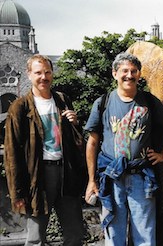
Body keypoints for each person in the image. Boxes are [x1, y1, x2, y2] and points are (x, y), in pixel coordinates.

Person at [84, 52, 163, 245]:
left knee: (145, 234)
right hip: (111, 178)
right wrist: (91, 180)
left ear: (139, 74)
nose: (129, 75)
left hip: (141, 178)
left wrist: (162, 154)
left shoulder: (149, 101)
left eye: (134, 71)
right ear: (115, 74)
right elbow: (92, 143)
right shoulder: (103, 102)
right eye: (124, 71)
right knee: (113, 233)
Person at [4, 54, 84, 245]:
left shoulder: (63, 100)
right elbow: (11, 153)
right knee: (36, 236)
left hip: (66, 172)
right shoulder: (19, 108)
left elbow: (77, 142)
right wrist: (17, 193)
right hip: (37, 176)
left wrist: (74, 124)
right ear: (29, 74)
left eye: (47, 72)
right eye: (38, 72)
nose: (44, 77)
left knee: (74, 234)